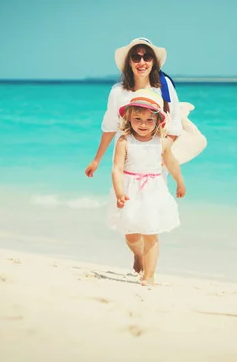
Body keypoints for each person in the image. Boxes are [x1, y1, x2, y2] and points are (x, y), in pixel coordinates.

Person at [107, 89, 186, 286]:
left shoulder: (161, 143)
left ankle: (149, 276)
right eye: (138, 119)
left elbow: (172, 163)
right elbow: (116, 169)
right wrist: (119, 192)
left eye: (149, 120)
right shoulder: (124, 141)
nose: (143, 124)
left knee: (151, 233)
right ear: (129, 118)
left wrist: (180, 182)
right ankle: (138, 255)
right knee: (131, 234)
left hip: (153, 191)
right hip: (129, 191)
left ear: (158, 121)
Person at [85, 37, 183, 179]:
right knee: (123, 199)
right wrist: (96, 160)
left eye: (147, 57)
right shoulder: (118, 91)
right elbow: (110, 128)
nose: (141, 63)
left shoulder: (164, 87)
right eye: (136, 57)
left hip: (155, 165)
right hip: (125, 164)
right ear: (129, 62)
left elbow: (174, 123)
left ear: (153, 62)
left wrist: (162, 151)